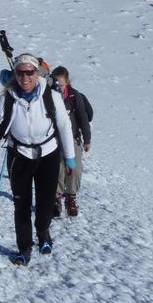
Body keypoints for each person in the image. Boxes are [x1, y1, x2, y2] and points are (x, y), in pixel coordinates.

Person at [0, 53, 76, 265]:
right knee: (21, 205)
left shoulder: (51, 96)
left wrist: (70, 158)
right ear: (15, 74)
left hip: (48, 155)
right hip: (19, 156)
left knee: (45, 202)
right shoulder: (7, 99)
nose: (25, 77)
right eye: (20, 72)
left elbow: (65, 126)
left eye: (29, 72)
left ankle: (43, 234)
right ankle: (24, 248)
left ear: (36, 73)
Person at [50, 65, 92, 217]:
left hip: (73, 138)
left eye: (61, 84)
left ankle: (71, 198)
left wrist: (87, 139)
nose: (59, 87)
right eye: (56, 84)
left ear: (67, 82)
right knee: (58, 168)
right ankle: (56, 198)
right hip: (54, 140)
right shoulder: (50, 95)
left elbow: (83, 118)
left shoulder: (74, 97)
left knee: (75, 168)